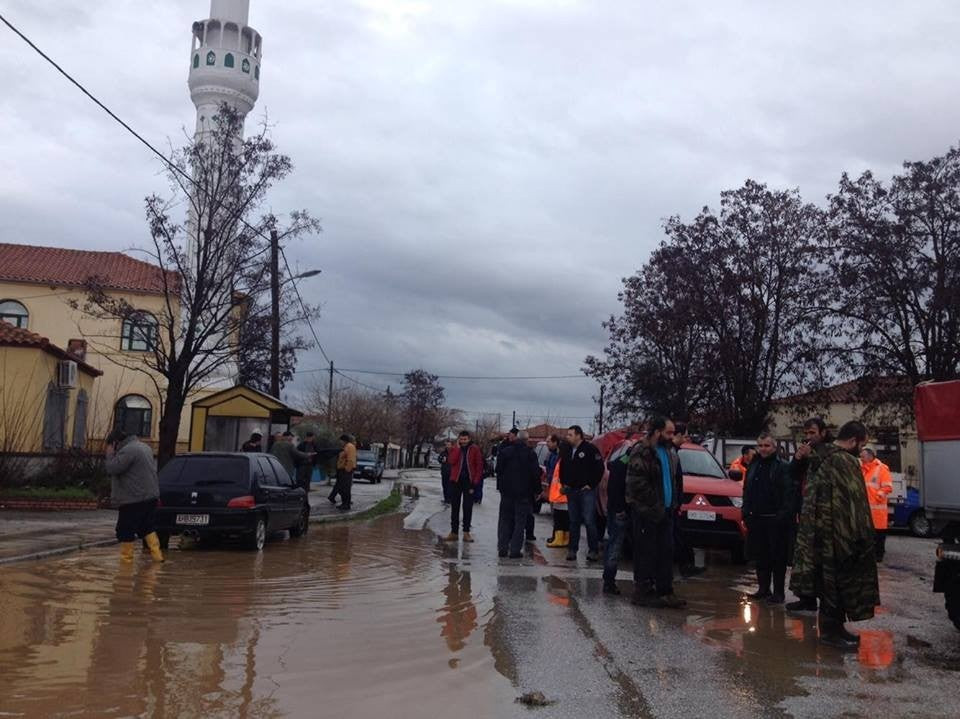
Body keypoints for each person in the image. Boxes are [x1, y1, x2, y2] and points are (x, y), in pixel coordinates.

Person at [789, 421, 880, 649]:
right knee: (837, 582)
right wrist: (859, 536)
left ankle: (835, 628)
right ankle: (830, 633)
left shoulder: (821, 457)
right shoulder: (843, 460)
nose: (862, 450)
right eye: (862, 445)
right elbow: (853, 502)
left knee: (828, 582)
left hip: (819, 533)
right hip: (838, 534)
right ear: (853, 441)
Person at [625, 417, 686, 609]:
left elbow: (674, 479)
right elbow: (637, 484)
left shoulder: (669, 452)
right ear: (657, 432)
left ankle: (665, 590)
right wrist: (655, 504)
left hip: (666, 512)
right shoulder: (642, 451)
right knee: (646, 553)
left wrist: (673, 503)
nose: (672, 436)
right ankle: (643, 591)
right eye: (668, 432)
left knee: (666, 552)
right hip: (647, 512)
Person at [786, 417, 833, 613]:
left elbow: (826, 471)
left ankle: (825, 601)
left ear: (823, 433)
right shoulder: (806, 451)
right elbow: (792, 474)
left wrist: (810, 456)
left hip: (822, 515)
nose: (808, 437)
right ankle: (806, 597)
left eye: (812, 433)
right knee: (804, 557)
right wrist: (798, 459)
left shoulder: (830, 452)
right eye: (805, 433)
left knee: (819, 558)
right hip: (805, 511)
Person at [743, 433, 795, 604]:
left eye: (767, 446)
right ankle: (763, 589)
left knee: (778, 558)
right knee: (760, 556)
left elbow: (789, 493)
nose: (763, 449)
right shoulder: (754, 465)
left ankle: (778, 593)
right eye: (760, 446)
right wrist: (746, 512)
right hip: (756, 518)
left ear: (774, 447)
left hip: (775, 519)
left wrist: (782, 515)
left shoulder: (782, 466)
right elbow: (747, 489)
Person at [103, 429, 164, 563]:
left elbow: (112, 468)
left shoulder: (128, 451)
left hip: (133, 499)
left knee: (125, 530)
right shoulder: (144, 447)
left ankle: (126, 564)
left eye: (110, 445)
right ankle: (157, 558)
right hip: (150, 497)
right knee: (147, 527)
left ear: (115, 442)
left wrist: (110, 454)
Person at [561, 425, 604, 562]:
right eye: (567, 435)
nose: (568, 437)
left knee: (589, 520)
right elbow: (562, 467)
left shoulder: (590, 449)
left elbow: (599, 468)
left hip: (586, 491)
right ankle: (572, 550)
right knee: (573, 521)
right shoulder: (567, 450)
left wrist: (591, 484)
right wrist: (564, 483)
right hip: (571, 490)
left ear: (578, 435)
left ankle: (593, 550)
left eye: (570, 435)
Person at [495, 430, 541, 558]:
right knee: (520, 522)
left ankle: (502, 548)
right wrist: (537, 491)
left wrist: (502, 486)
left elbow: (498, 470)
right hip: (524, 493)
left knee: (504, 520)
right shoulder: (530, 454)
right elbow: (535, 474)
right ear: (527, 440)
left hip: (507, 492)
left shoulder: (505, 452)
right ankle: (515, 550)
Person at [444, 430, 485, 543]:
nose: (463, 441)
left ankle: (466, 532)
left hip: (469, 482)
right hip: (456, 481)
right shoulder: (455, 448)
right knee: (455, 507)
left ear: (469, 439)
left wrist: (475, 482)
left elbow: (479, 466)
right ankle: (454, 532)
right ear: (459, 439)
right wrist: (457, 448)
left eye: (465, 439)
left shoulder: (475, 449)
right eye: (461, 439)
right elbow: (451, 461)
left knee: (467, 508)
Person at [602, 445, 630, 594]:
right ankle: (609, 581)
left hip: (615, 508)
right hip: (621, 510)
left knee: (613, 542)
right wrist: (620, 509)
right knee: (616, 545)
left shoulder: (619, 462)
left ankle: (608, 579)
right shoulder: (625, 465)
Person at [860, 447, 894, 561]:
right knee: (868, 535)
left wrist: (878, 496)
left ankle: (879, 555)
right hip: (866, 509)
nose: (861, 458)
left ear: (870, 457)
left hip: (877, 510)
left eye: (863, 456)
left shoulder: (881, 468)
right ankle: (871, 554)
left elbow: (888, 487)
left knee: (879, 534)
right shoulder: (863, 469)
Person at [545, 437, 570, 548]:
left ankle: (560, 539)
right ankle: (563, 538)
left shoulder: (564, 461)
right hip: (560, 494)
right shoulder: (563, 460)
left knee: (560, 518)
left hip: (561, 495)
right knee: (563, 518)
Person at [330, 433, 357, 510]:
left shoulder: (350, 447)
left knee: (345, 488)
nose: (340, 442)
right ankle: (344, 503)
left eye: (340, 441)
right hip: (342, 470)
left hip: (346, 471)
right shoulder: (346, 446)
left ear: (344, 440)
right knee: (342, 488)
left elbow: (350, 459)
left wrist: (347, 469)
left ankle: (346, 504)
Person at [439, 440, 453, 505]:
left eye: (449, 445)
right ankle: (446, 499)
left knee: (450, 486)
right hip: (444, 472)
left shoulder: (453, 452)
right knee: (444, 486)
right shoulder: (443, 453)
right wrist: (442, 460)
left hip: (451, 472)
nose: (448, 446)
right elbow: (439, 459)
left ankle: (450, 499)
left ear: (451, 445)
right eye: (447, 445)